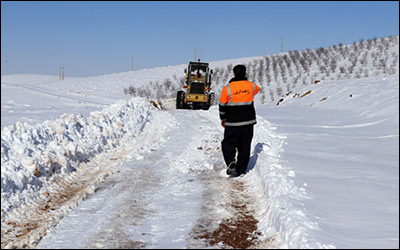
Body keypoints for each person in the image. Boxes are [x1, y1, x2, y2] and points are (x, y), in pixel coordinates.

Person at [219, 64, 260, 176]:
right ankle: (241, 170)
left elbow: (222, 104)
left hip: (232, 122)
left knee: (228, 143)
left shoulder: (227, 88)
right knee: (244, 146)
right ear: (245, 73)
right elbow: (256, 90)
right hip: (248, 122)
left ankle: (231, 161)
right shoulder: (252, 86)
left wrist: (223, 118)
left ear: (234, 74)